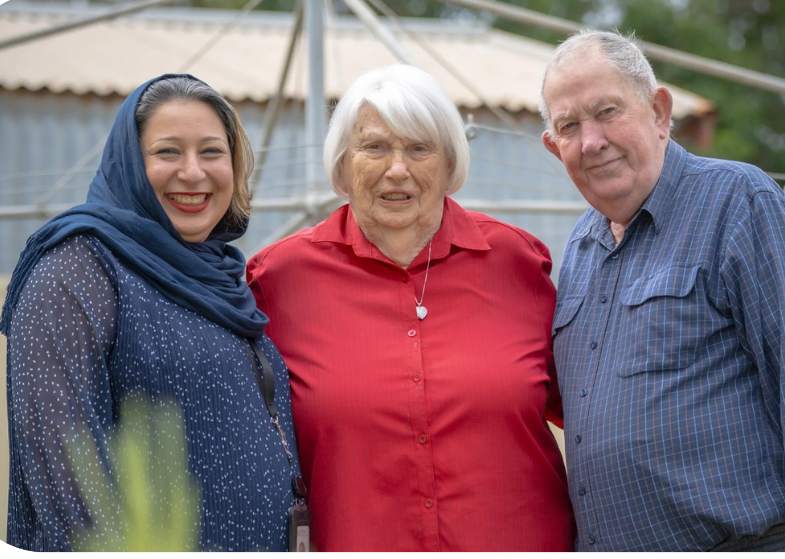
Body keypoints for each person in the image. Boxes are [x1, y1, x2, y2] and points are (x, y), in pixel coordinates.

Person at [539, 28, 785, 553]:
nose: (592, 141)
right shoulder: (580, 248)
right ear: (553, 146)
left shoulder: (740, 203)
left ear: (659, 111)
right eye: (570, 126)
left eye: (607, 112)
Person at [246, 63, 575, 552]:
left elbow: (593, 409)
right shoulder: (277, 280)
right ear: (341, 165)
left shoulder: (519, 263)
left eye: (419, 148)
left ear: (449, 164)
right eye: (374, 147)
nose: (396, 169)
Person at [0, 74, 302, 552]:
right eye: (167, 152)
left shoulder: (220, 276)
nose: (193, 172)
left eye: (211, 151)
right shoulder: (78, 269)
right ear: (130, 165)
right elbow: (68, 474)